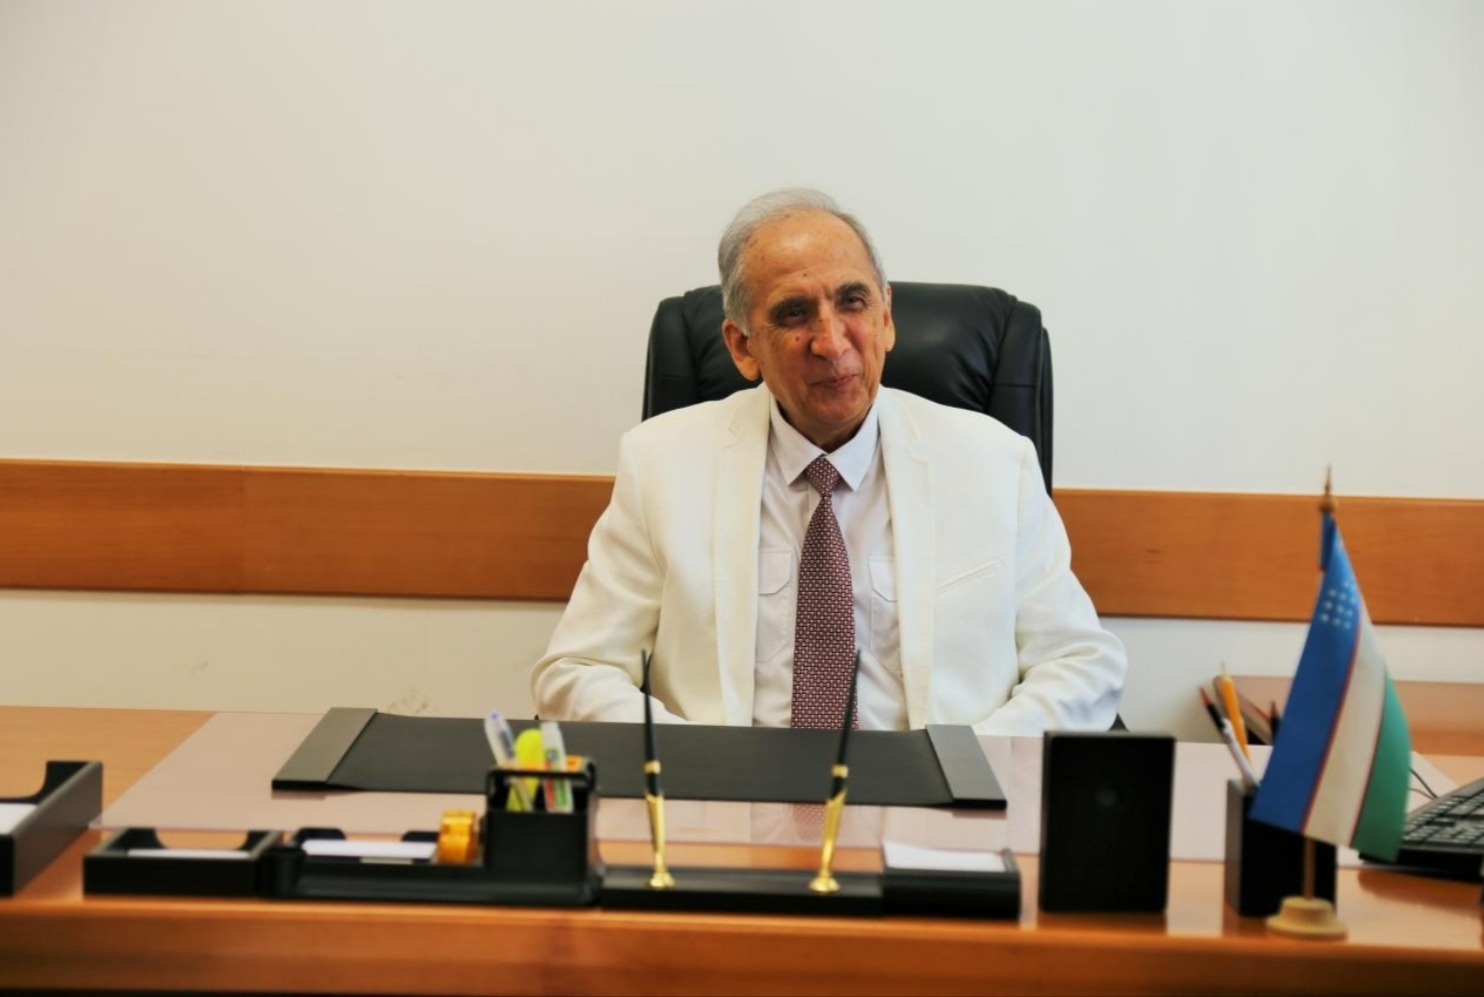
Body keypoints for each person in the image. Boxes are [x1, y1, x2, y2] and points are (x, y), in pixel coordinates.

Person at [532, 188, 1126, 734]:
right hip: (729, 797)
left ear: (886, 318)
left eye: (853, 303)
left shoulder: (995, 464)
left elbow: (1080, 663)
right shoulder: (661, 464)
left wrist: (968, 767)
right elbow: (578, 671)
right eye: (794, 313)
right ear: (742, 347)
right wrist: (702, 772)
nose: (833, 343)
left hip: (935, 796)